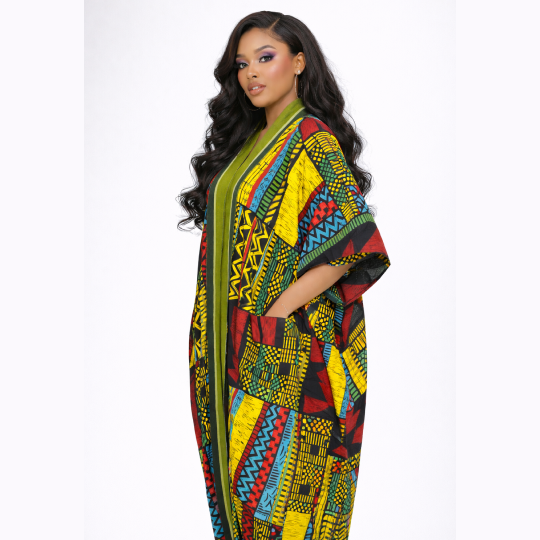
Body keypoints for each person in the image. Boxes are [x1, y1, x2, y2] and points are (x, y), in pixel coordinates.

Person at [178, 11, 391, 540]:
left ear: (299, 63)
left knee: (281, 505)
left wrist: (273, 315)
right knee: (236, 498)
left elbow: (350, 246)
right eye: (242, 63)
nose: (251, 72)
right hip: (226, 344)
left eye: (265, 58)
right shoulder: (249, 143)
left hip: (286, 348)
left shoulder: (310, 138)